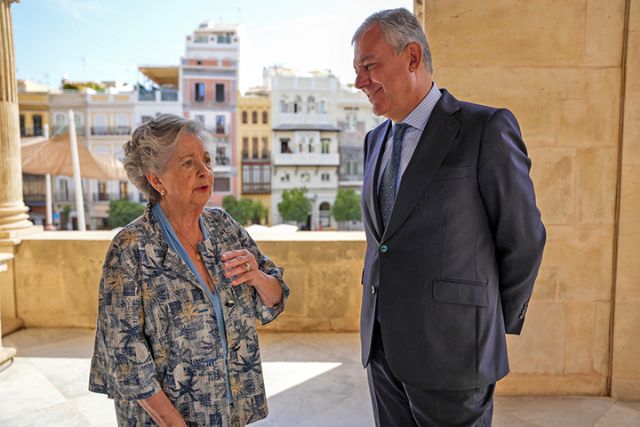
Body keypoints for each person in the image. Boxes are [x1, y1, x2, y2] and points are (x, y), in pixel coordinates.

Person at [352, 8, 546, 427]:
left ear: (412, 57)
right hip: (382, 347)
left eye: (369, 66)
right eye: (356, 70)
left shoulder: (485, 128)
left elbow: (524, 238)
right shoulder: (374, 141)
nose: (359, 82)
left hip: (455, 351)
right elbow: (385, 242)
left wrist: (485, 321)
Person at [89, 114, 289, 426]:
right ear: (156, 179)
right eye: (187, 163)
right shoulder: (130, 248)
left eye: (206, 160)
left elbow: (274, 300)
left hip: (230, 410)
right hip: (169, 419)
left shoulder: (222, 226)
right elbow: (122, 352)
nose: (204, 171)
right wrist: (173, 423)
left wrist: (257, 277)